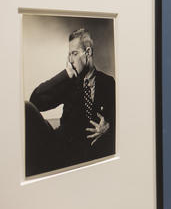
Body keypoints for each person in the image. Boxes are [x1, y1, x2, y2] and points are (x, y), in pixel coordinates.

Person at [25, 28, 115, 176]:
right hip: (59, 148)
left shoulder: (108, 83)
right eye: (69, 55)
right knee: (27, 108)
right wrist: (66, 74)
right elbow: (35, 100)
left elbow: (121, 116)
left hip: (86, 156)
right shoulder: (68, 82)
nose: (70, 60)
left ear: (88, 52)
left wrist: (108, 127)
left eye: (74, 53)